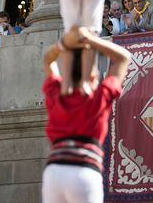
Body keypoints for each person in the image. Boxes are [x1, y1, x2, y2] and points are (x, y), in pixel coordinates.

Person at [42, 26, 130, 203]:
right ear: (92, 75)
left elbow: (47, 60)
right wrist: (89, 39)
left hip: (54, 172)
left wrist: (64, 43)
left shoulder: (56, 93)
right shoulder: (99, 96)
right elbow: (123, 58)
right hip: (84, 171)